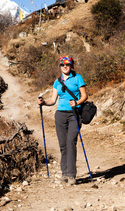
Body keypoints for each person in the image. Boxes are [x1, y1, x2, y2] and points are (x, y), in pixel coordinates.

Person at [37, 55, 88, 185]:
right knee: (63, 145)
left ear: (71, 66)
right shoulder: (57, 82)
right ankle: (64, 173)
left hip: (74, 114)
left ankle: (71, 175)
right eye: (62, 64)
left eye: (67, 64)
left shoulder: (77, 78)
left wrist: (76, 103)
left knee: (71, 142)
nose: (65, 66)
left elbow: (84, 96)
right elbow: (53, 101)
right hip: (60, 115)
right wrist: (43, 103)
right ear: (60, 66)